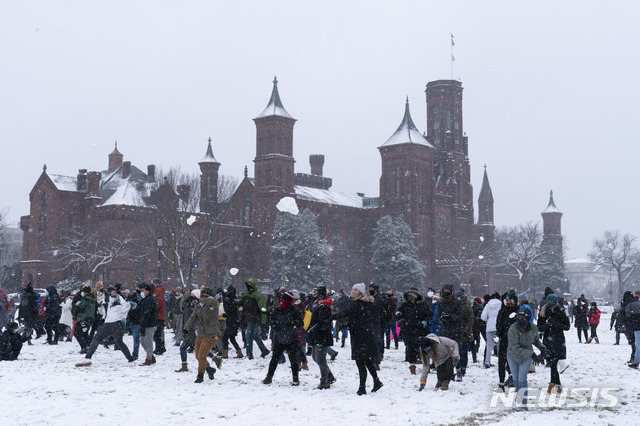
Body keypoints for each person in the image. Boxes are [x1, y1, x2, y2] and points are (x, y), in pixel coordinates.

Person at [336, 283, 383, 395]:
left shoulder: (359, 304)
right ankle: (376, 381)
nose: (353, 291)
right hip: (362, 335)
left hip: (362, 337)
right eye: (352, 289)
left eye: (355, 290)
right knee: (365, 360)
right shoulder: (359, 303)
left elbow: (347, 313)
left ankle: (362, 387)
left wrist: (333, 316)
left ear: (360, 292)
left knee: (360, 361)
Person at [76, 287, 134, 367]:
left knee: (96, 338)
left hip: (110, 323)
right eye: (111, 292)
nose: (112, 294)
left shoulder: (118, 299)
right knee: (119, 341)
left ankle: (87, 358)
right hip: (120, 325)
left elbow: (117, 299)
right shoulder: (120, 301)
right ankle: (130, 358)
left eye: (114, 292)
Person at [507, 307, 545, 408]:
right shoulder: (513, 329)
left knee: (522, 378)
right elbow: (515, 347)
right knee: (516, 379)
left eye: (523, 319)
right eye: (518, 318)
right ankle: (520, 396)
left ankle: (524, 403)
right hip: (513, 355)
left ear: (528, 320)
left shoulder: (533, 328)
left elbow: (536, 340)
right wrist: (532, 354)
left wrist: (542, 349)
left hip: (526, 356)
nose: (520, 320)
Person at [262, 292, 303, 386]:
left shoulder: (295, 311)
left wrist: (292, 323)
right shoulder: (277, 310)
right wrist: (275, 325)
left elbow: (300, 323)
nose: (282, 303)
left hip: (292, 338)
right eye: (281, 301)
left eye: (284, 301)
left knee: (293, 359)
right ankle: (269, 377)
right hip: (279, 337)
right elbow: (272, 320)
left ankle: (295, 379)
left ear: (289, 302)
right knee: (274, 358)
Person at [184, 287, 223, 383]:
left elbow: (208, 308)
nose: (201, 296)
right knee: (198, 356)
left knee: (202, 355)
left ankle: (200, 375)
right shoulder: (199, 304)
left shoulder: (214, 303)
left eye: (203, 295)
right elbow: (193, 317)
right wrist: (186, 328)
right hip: (201, 333)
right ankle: (210, 369)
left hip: (211, 333)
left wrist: (197, 299)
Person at [537, 294, 570, 393]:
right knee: (551, 363)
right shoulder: (543, 312)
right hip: (547, 341)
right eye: (548, 301)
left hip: (558, 341)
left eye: (551, 301)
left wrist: (555, 323)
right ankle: (557, 384)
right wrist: (546, 325)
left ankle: (553, 384)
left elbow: (567, 326)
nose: (549, 303)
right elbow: (539, 327)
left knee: (553, 363)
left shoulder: (560, 312)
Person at [396, 288, 432, 375]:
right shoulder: (404, 305)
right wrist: (399, 316)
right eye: (408, 296)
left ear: (415, 296)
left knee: (424, 348)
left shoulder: (423, 305)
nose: (410, 297)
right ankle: (412, 366)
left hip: (421, 329)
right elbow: (398, 312)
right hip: (408, 329)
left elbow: (430, 314)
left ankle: (426, 366)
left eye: (411, 296)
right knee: (410, 347)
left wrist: (425, 321)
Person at [307, 286, 336, 389]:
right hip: (317, 335)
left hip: (322, 336)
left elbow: (322, 322)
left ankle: (325, 381)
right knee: (315, 357)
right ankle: (329, 376)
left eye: (316, 293)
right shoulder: (319, 304)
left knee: (320, 359)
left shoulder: (324, 306)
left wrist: (313, 328)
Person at [240, 278, 270, 360]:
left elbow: (263, 308)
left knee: (249, 336)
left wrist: (263, 320)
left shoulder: (258, 295)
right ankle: (263, 350)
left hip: (254, 318)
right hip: (249, 318)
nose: (249, 287)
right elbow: (240, 302)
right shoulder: (247, 294)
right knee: (253, 335)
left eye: (250, 285)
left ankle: (249, 354)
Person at [495, 290, 519, 391]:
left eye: (511, 300)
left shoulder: (518, 311)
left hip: (514, 340)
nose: (509, 302)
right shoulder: (502, 310)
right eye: (507, 300)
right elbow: (498, 322)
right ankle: (501, 382)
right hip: (503, 339)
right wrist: (499, 332)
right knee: (501, 361)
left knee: (512, 361)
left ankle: (513, 378)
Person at [175, 289, 199, 372]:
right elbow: (184, 304)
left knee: (184, 348)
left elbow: (193, 318)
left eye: (192, 294)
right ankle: (215, 359)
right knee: (199, 348)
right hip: (188, 329)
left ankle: (184, 366)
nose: (190, 295)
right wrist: (189, 297)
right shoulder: (190, 303)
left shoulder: (196, 304)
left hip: (191, 330)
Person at [455, 288, 474, 381]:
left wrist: (464, 330)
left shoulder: (466, 306)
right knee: (458, 353)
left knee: (463, 353)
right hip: (458, 333)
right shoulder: (457, 305)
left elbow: (470, 320)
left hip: (465, 334)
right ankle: (459, 368)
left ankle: (462, 369)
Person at [481, 292, 502, 368]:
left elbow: (483, 317)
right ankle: (501, 362)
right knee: (500, 345)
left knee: (489, 346)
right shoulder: (501, 304)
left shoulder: (488, 305)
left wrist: (489, 320)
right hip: (499, 327)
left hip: (489, 327)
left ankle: (487, 362)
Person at [222, 285, 243, 358]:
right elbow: (234, 310)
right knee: (232, 338)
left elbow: (228, 310)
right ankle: (239, 352)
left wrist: (227, 314)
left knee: (225, 338)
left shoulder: (229, 299)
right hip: (235, 321)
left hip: (231, 321)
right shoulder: (236, 299)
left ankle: (225, 353)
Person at [73, 286, 96, 353]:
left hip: (83, 318)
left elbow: (78, 308)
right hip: (89, 319)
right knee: (84, 333)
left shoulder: (85, 299)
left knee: (77, 333)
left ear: (85, 292)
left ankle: (84, 347)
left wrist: (76, 309)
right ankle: (88, 346)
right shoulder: (92, 299)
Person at [126, 287, 143, 361]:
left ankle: (135, 355)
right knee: (136, 339)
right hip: (136, 320)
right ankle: (135, 354)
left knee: (136, 339)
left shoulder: (133, 301)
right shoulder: (141, 300)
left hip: (133, 320)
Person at [625, 291, 640, 369]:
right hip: (637, 325)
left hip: (636, 326)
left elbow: (627, 314)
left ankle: (636, 362)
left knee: (638, 345)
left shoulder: (630, 304)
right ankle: (636, 362)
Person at [152, 279, 167, 355]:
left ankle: (159, 348)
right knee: (158, 332)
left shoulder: (158, 290)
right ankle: (159, 347)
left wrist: (153, 308)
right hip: (160, 315)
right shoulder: (160, 290)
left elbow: (158, 302)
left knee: (157, 333)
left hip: (158, 315)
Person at [472, 296, 485, 363]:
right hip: (481, 325)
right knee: (479, 338)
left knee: (475, 338)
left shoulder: (474, 307)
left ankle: (475, 351)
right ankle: (477, 347)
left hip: (475, 324)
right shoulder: (482, 307)